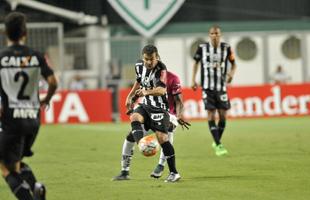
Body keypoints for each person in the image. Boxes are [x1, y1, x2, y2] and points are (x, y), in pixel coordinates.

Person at [0, 12, 57, 200]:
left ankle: (30, 196)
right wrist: (46, 99)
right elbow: (53, 81)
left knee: (4, 165)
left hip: (11, 121)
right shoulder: (36, 56)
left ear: (5, 32)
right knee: (16, 163)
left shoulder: (1, 58)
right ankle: (36, 186)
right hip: (33, 120)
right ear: (25, 32)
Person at [113, 44, 185, 182]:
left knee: (163, 139)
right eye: (146, 59)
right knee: (133, 120)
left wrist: (146, 91)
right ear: (142, 58)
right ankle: (127, 168)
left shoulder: (161, 69)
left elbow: (162, 90)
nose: (149, 62)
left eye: (152, 59)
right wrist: (130, 96)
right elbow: (139, 81)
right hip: (146, 106)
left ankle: (174, 173)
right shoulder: (139, 66)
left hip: (160, 109)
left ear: (156, 57)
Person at [191, 25, 237, 156]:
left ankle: (217, 140)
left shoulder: (226, 48)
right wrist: (193, 79)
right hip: (207, 87)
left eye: (217, 33)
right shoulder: (202, 48)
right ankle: (218, 144)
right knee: (211, 114)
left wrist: (231, 74)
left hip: (221, 87)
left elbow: (234, 64)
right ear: (209, 35)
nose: (215, 36)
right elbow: (195, 63)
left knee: (223, 116)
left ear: (220, 35)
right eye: (212, 33)